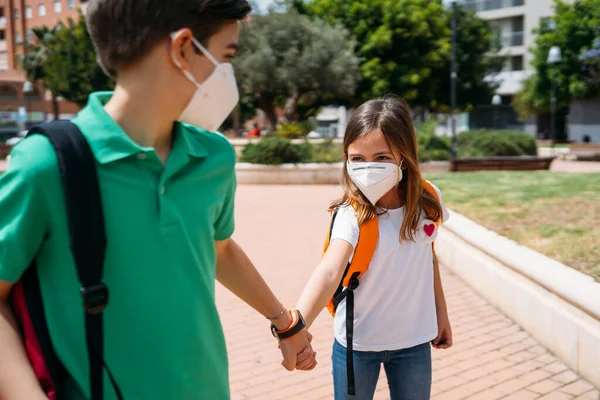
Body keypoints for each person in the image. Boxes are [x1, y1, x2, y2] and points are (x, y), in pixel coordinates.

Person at [0, 1, 315, 399]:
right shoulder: (46, 164)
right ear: (184, 48)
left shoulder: (213, 157)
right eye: (226, 56)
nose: (228, 73)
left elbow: (218, 250)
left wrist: (284, 323)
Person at [296, 97, 453, 400]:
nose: (369, 168)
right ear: (346, 157)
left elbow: (428, 257)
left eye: (382, 158)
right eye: (357, 158)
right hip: (357, 345)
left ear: (404, 155)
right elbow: (330, 270)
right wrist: (296, 325)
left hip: (414, 342)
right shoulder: (350, 214)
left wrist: (440, 314)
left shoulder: (428, 201)